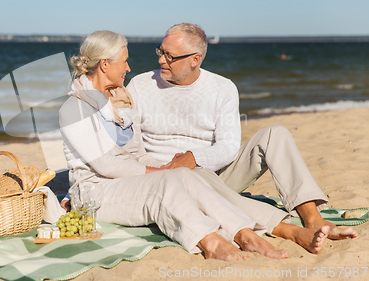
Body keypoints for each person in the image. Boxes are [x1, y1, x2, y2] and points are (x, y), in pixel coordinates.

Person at [59, 30, 330, 261]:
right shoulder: (74, 109)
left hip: (152, 178)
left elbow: (138, 155)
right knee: (171, 179)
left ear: (195, 59)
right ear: (105, 65)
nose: (130, 68)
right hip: (96, 193)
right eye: (125, 61)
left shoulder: (120, 98)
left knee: (182, 175)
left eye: (169, 55)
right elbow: (106, 164)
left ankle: (246, 234)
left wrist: (176, 166)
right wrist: (166, 171)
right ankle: (211, 242)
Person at [126, 22, 357, 241]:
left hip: (215, 173)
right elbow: (129, 143)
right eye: (161, 51)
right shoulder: (140, 85)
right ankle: (283, 226)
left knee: (275, 133)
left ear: (195, 59)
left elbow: (227, 147)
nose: (161, 60)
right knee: (192, 176)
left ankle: (313, 218)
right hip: (164, 177)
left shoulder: (222, 88)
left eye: (170, 56)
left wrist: (194, 157)